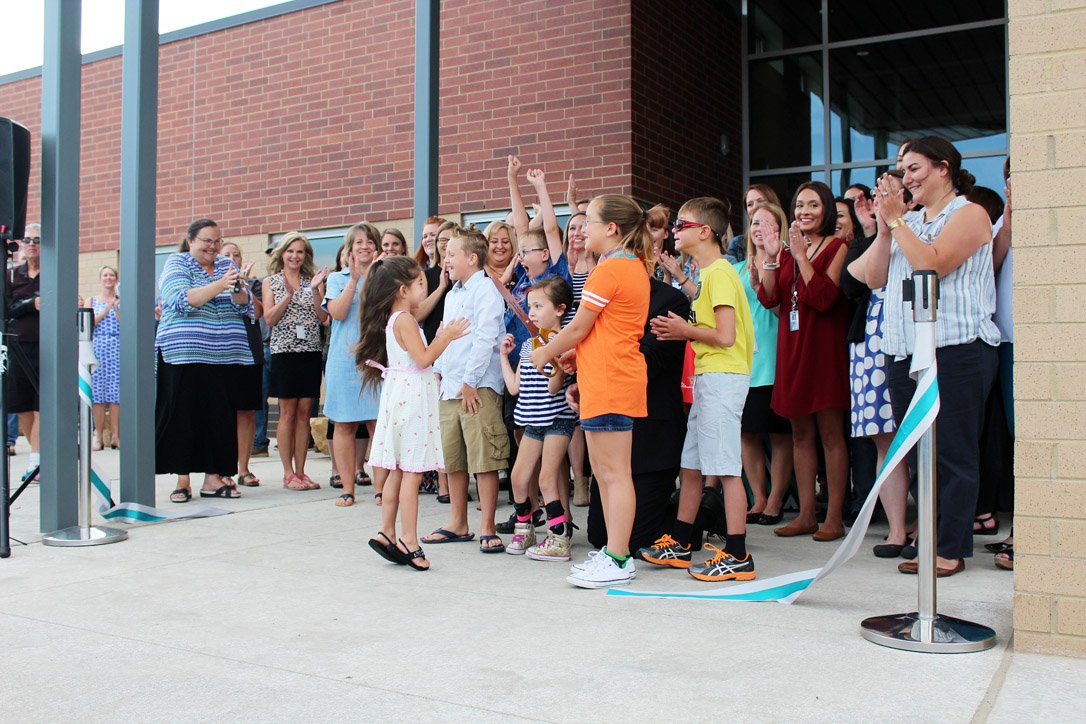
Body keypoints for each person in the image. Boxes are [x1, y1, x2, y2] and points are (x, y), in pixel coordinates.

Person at [849, 136, 1000, 577]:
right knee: (915, 453)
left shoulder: (969, 213)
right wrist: (884, 224)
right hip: (904, 353)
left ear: (943, 169)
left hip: (957, 349)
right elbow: (870, 278)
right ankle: (930, 538)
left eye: (913, 168)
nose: (905, 177)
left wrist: (898, 225)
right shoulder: (906, 220)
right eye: (901, 168)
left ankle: (950, 547)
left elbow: (932, 264)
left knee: (952, 452)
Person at [529, 193, 652, 588]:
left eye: (589, 223)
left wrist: (547, 350)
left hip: (613, 380)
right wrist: (575, 360)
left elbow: (580, 326)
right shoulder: (622, 266)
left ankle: (618, 558)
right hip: (605, 378)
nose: (582, 230)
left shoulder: (610, 270)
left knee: (614, 474)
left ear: (611, 229)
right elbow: (597, 332)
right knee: (605, 472)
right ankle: (615, 554)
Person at [639, 197, 756, 581]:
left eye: (682, 225)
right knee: (691, 466)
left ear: (704, 232)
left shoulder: (720, 273)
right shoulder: (710, 274)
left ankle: (738, 554)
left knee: (725, 469)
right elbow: (709, 313)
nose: (675, 230)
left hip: (723, 377)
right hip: (711, 378)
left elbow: (725, 335)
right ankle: (681, 542)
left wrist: (683, 331)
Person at [356, 256, 470, 571]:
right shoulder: (404, 319)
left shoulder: (396, 317)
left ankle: (387, 531)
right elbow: (422, 359)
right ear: (404, 290)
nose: (426, 288)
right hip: (412, 397)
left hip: (400, 393)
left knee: (396, 469)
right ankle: (409, 538)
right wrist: (445, 337)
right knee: (412, 471)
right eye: (421, 284)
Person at [756, 181, 850, 541]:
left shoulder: (838, 246)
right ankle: (806, 515)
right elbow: (769, 297)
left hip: (823, 347)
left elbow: (825, 297)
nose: (804, 212)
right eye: (799, 205)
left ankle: (834, 517)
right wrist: (769, 255)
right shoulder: (790, 248)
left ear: (825, 208)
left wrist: (799, 256)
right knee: (799, 434)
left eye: (813, 205)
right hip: (792, 345)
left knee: (829, 433)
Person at [584, 277, 689, 552]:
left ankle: (692, 518)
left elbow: (648, 363)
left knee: (632, 541)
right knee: (599, 535)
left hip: (652, 437)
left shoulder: (670, 300)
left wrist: (602, 353)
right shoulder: (600, 296)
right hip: (611, 424)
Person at [424, 227, 509, 551]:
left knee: (483, 457)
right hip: (450, 388)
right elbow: (447, 338)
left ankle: (487, 525)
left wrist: (470, 382)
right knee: (454, 458)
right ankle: (458, 522)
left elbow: (486, 337)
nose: (446, 259)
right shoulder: (453, 294)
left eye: (451, 254)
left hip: (478, 387)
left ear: (472, 258)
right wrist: (440, 374)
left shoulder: (485, 290)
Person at [156, 219, 253, 502]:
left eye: (217, 241)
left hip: (224, 355)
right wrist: (221, 284)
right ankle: (182, 479)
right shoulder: (178, 264)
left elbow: (243, 304)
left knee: (219, 418)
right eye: (207, 241)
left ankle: (214, 478)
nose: (213, 247)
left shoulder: (226, 265)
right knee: (183, 415)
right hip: (184, 352)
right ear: (191, 241)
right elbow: (181, 299)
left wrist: (236, 288)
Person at [839, 200, 911, 558]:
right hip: (871, 341)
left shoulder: (922, 227)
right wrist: (875, 231)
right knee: (884, 437)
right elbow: (851, 282)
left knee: (920, 438)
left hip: (912, 338)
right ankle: (897, 530)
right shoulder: (871, 236)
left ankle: (927, 526)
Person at [500, 277, 577, 560]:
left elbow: (555, 387)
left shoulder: (563, 342)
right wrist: (502, 357)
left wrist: (554, 360)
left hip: (557, 419)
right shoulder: (529, 344)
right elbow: (514, 387)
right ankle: (525, 529)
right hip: (532, 420)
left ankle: (559, 538)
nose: (531, 312)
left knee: (547, 479)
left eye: (538, 305)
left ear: (559, 309)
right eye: (529, 306)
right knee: (519, 478)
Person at [323, 223, 389, 507]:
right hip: (343, 360)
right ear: (349, 249)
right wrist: (354, 279)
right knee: (344, 425)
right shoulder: (337, 278)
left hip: (375, 358)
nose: (364, 246)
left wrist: (373, 275)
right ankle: (347, 488)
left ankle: (380, 489)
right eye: (358, 242)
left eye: (370, 242)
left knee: (378, 425)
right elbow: (336, 312)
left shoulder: (384, 277)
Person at [739, 203, 794, 525]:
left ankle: (776, 499)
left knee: (780, 433)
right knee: (747, 433)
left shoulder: (787, 261)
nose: (759, 228)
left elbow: (783, 308)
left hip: (777, 356)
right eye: (754, 222)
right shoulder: (737, 267)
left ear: (780, 228)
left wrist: (763, 285)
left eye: (767, 223)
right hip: (746, 360)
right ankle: (757, 497)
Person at [262, 232, 329, 490]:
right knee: (287, 413)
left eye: (300, 251)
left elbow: (324, 318)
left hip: (310, 351)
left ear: (305, 255)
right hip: (284, 352)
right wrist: (288, 296)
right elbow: (269, 319)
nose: (295, 256)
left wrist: (313, 291)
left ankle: (301, 471)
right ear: (282, 254)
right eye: (290, 251)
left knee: (304, 414)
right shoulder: (272, 282)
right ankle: (287, 473)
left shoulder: (313, 281)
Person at [6, 224, 41, 480]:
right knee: (23, 408)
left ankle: (36, 462)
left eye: (37, 240)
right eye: (28, 239)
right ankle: (37, 455)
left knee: (41, 406)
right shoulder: (12, 275)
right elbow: (8, 309)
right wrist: (32, 303)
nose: (32, 244)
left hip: (45, 346)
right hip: (18, 346)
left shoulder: (52, 272)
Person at [90, 265, 121, 451]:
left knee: (116, 395)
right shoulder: (92, 300)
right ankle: (98, 435)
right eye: (105, 275)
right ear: (100, 279)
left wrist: (116, 308)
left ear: (116, 279)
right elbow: (89, 322)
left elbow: (125, 324)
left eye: (111, 275)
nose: (108, 278)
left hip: (116, 346)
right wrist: (106, 308)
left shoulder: (121, 300)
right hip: (98, 346)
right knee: (98, 395)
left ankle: (117, 435)